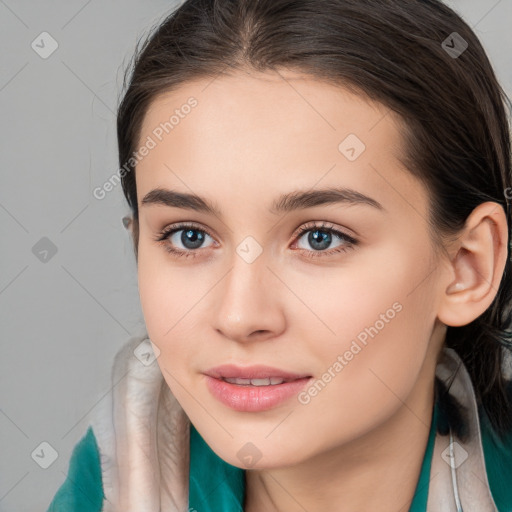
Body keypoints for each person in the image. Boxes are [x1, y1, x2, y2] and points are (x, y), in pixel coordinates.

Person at [47, 0, 512, 510]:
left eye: (320, 238)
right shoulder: (108, 487)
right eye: (189, 236)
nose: (240, 316)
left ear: (468, 267)